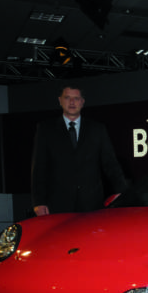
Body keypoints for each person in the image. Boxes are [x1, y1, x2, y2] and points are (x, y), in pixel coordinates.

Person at [31, 84, 127, 216]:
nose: (72, 102)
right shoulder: (46, 129)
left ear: (82, 102)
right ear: (60, 101)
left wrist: (122, 192)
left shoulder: (97, 129)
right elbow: (39, 168)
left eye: (76, 98)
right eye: (67, 98)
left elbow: (110, 164)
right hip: (58, 204)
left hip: (92, 203)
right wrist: (38, 202)